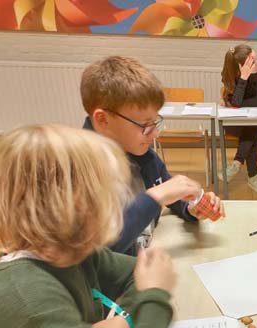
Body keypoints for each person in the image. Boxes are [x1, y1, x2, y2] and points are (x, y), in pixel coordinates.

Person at [0, 124, 177, 328]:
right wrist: (154, 299)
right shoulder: (24, 301)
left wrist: (125, 322)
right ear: (76, 207)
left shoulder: (72, 252)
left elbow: (136, 274)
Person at [81, 56, 224, 256]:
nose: (155, 133)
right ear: (103, 120)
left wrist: (190, 209)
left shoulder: (143, 156)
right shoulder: (78, 173)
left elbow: (172, 196)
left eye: (154, 123)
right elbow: (97, 251)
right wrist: (156, 197)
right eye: (144, 125)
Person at [219, 44, 257, 194]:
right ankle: (253, 177)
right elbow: (235, 102)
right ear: (241, 66)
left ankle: (237, 163)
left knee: (252, 127)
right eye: (252, 61)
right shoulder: (229, 74)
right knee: (251, 130)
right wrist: (243, 79)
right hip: (234, 123)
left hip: (254, 121)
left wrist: (234, 103)